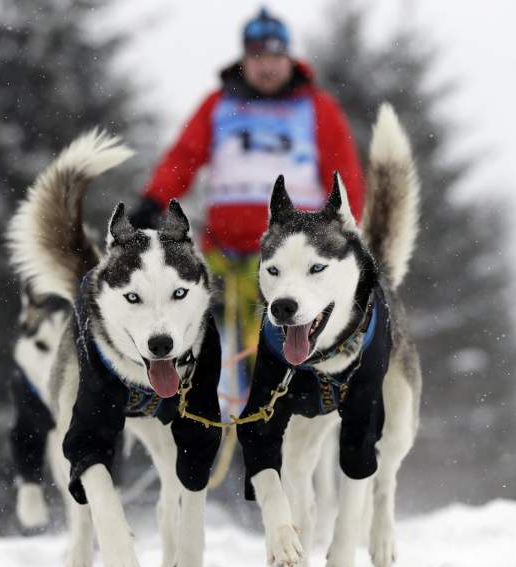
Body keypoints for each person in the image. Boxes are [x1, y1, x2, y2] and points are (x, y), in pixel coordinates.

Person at [131, 7, 364, 415]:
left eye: (275, 57)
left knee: (281, 352)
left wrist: (349, 227)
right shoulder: (218, 105)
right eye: (258, 57)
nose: (267, 66)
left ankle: (282, 431)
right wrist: (155, 199)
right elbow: (184, 158)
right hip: (224, 252)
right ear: (244, 59)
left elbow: (343, 172)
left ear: (289, 58)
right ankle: (204, 431)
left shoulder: (318, 108)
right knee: (205, 347)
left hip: (291, 256)